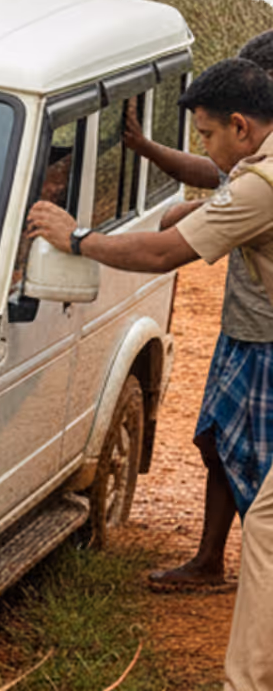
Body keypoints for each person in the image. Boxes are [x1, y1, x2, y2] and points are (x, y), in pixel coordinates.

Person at [27, 57, 273, 691]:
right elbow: (214, 200)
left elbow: (165, 253)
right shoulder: (255, 171)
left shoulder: (263, 183)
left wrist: (77, 238)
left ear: (242, 127)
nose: (208, 150)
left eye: (210, 136)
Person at [120, 31, 273, 589]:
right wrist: (147, 148)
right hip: (245, 325)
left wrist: (83, 240)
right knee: (218, 443)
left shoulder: (263, 169)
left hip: (264, 334)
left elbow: (167, 249)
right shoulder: (253, 153)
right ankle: (211, 562)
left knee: (252, 465)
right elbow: (213, 173)